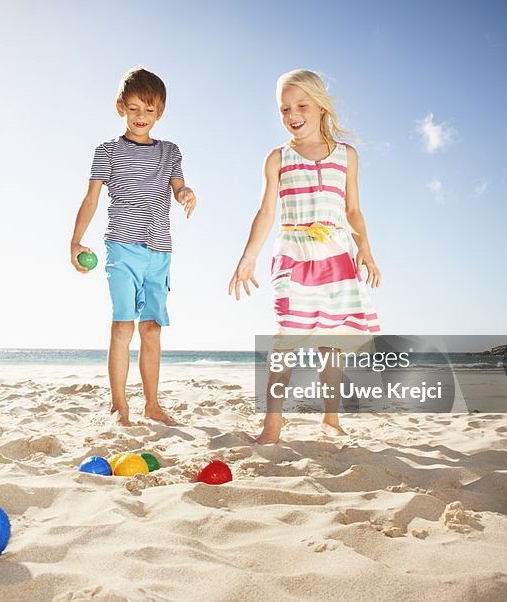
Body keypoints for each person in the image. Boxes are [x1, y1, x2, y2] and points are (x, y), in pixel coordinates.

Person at [228, 69, 381, 444]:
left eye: (301, 105)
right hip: (293, 256)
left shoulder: (347, 157)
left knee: (333, 342)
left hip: (336, 257)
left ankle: (331, 420)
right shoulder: (278, 158)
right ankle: (272, 425)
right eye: (284, 109)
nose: (292, 115)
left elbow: (354, 211)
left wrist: (366, 250)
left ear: (320, 106)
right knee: (286, 339)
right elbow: (265, 212)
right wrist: (248, 257)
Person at [70, 67, 197, 426]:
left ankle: (153, 405)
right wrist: (75, 240)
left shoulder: (170, 152)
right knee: (123, 326)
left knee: (152, 329)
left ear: (160, 113)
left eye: (149, 111)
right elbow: (92, 199)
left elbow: (178, 187)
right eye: (134, 109)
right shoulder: (107, 151)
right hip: (122, 248)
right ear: (120, 107)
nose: (141, 117)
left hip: (160, 250)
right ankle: (119, 405)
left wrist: (185, 192)